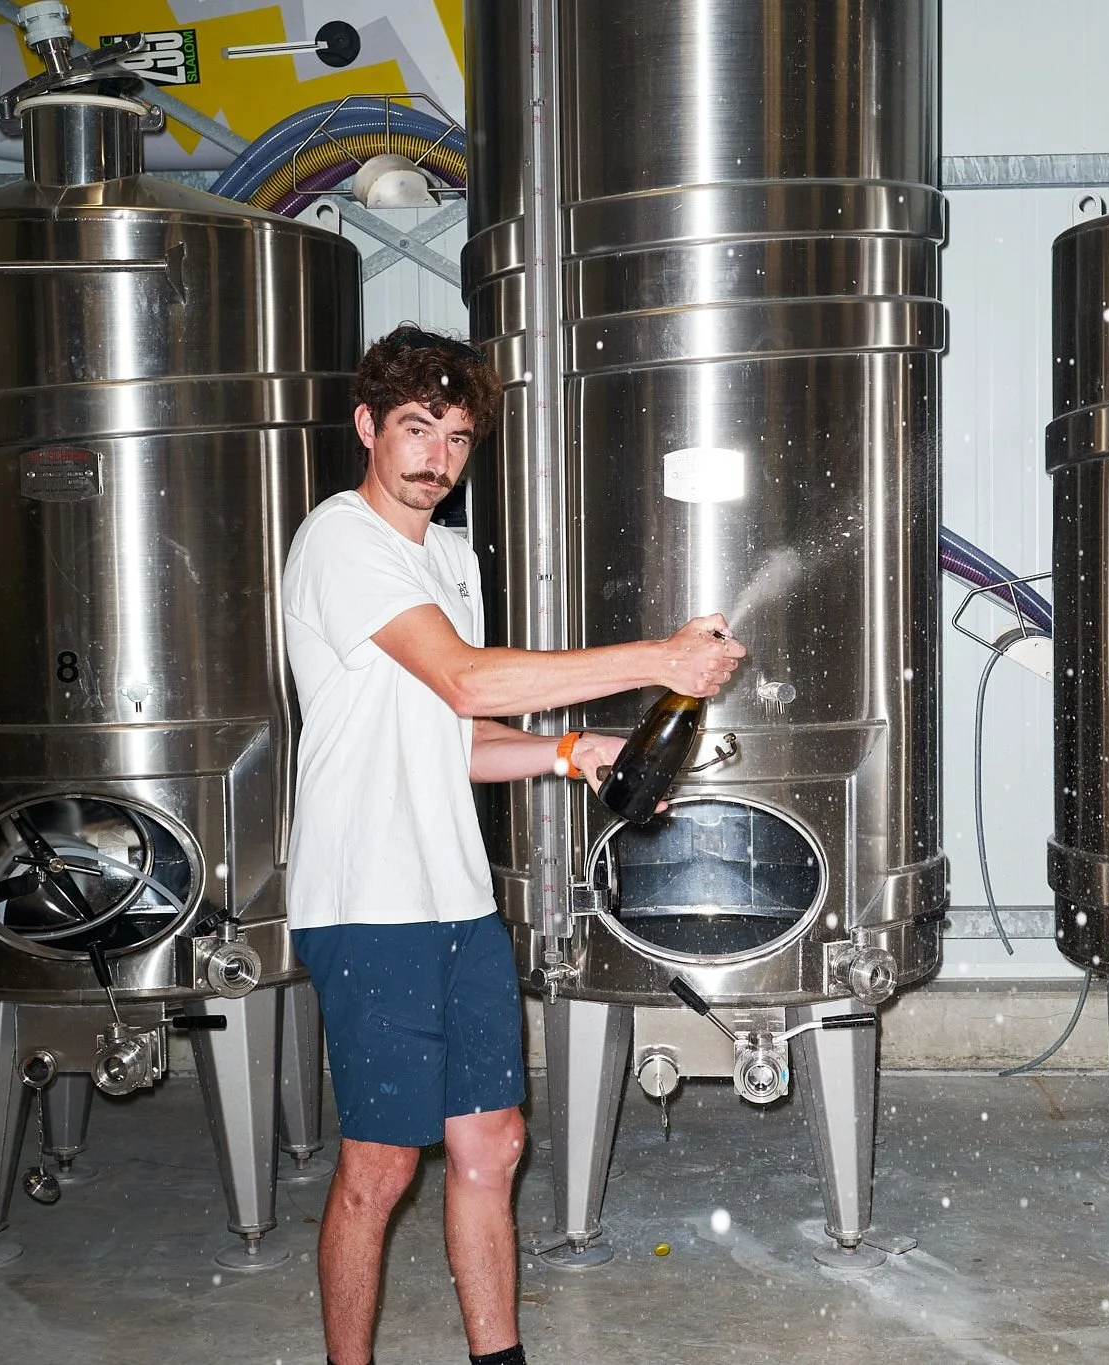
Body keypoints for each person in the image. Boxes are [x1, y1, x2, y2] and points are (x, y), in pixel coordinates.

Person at [281, 323, 746, 1365]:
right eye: (415, 427)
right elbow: (465, 678)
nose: (436, 456)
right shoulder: (340, 540)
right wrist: (658, 658)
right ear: (366, 426)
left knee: (491, 1144)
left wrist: (570, 752)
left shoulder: (447, 557)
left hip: (455, 896)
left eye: (456, 436)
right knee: (379, 1168)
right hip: (366, 898)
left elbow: (459, 735)